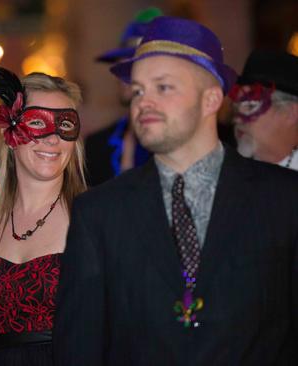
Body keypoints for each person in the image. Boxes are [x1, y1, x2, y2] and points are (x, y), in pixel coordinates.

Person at [53, 16, 298, 365]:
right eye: (138, 90)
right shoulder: (99, 213)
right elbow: (79, 349)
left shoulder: (285, 198)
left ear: (212, 99)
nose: (144, 102)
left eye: (163, 87)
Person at [0, 65, 87, 366]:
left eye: (65, 125)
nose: (52, 138)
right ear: (9, 132)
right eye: (38, 122)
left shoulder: (94, 218)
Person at [85, 7, 161, 186]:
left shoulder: (177, 143)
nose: (121, 76)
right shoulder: (96, 145)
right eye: (120, 67)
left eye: (133, 64)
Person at [230, 50, 298, 170]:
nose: (237, 118)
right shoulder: (228, 171)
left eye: (251, 106)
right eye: (236, 106)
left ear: (290, 113)